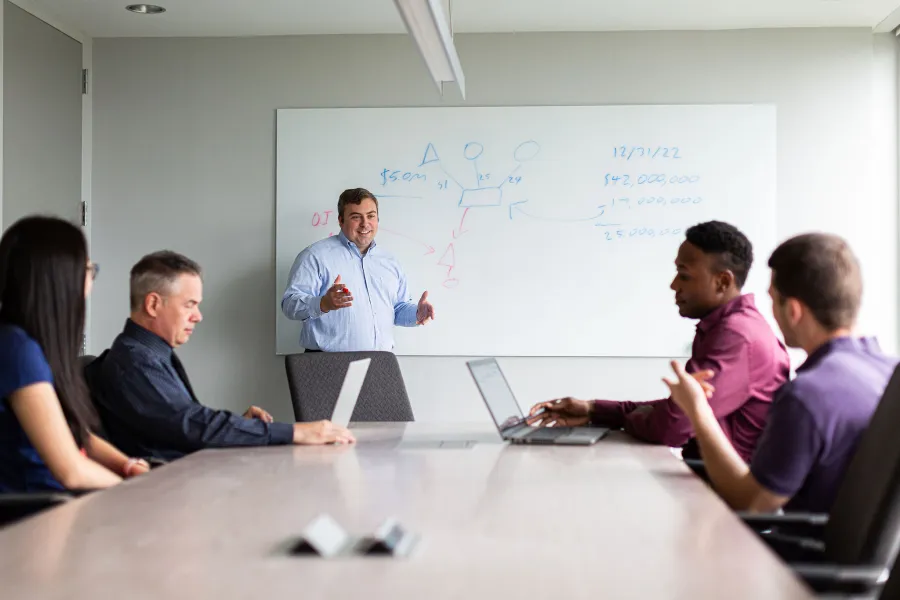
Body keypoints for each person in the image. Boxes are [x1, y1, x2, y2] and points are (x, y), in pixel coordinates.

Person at [663, 233, 897, 513]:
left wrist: (698, 413)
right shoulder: (888, 370)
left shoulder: (806, 395)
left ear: (794, 310)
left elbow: (751, 503)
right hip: (848, 553)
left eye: (773, 299)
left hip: (797, 553)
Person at [529, 221, 789, 462]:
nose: (674, 285)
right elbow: (680, 410)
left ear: (722, 281)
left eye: (684, 275)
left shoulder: (736, 337)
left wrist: (631, 419)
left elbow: (671, 427)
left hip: (721, 499)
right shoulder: (728, 328)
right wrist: (594, 410)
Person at [85, 251, 354, 461]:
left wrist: (240, 426)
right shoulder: (135, 362)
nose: (198, 316)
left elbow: (181, 422)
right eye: (189, 305)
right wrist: (297, 432)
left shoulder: (150, 353)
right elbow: (193, 425)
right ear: (154, 304)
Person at [0, 216, 149, 492]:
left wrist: (128, 466)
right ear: (60, 278)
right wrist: (135, 492)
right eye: (88, 268)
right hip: (39, 515)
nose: (91, 279)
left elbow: (76, 435)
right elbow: (71, 471)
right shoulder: (16, 350)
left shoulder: (31, 346)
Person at [281, 187, 435, 352]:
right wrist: (323, 303)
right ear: (340, 220)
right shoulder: (315, 256)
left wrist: (417, 314)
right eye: (356, 217)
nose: (365, 223)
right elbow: (290, 304)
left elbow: (397, 309)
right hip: (327, 364)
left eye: (371, 216)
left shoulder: (390, 261)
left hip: (380, 362)